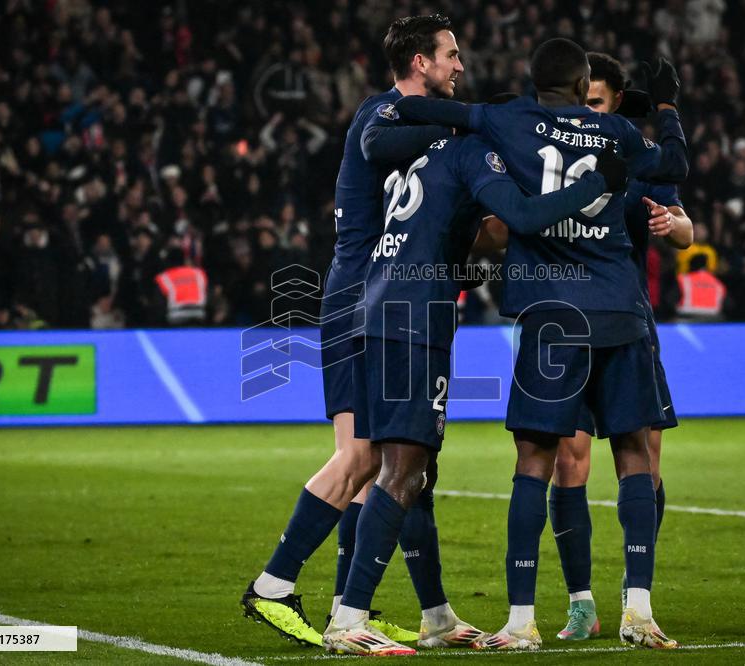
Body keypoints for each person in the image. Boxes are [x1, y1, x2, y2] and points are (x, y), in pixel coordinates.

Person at [394, 38, 688, 650]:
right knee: (635, 454)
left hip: (552, 312)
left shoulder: (510, 120)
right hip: (619, 307)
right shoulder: (616, 136)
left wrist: (394, 112)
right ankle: (638, 609)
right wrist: (664, 105)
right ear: (585, 86)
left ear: (533, 83)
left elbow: (434, 113)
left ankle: (522, 621)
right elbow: (675, 164)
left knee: (535, 461)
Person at [324, 122, 626, 656]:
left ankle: (434, 616)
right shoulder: (473, 153)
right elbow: (520, 218)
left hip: (382, 309)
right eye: (451, 54)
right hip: (413, 323)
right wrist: (592, 185)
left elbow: (457, 241)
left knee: (414, 472)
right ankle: (348, 616)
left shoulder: (422, 153)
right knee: (401, 470)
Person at [241, 14, 479, 649]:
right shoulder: (383, 114)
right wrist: (482, 121)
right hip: (357, 299)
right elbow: (379, 148)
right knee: (360, 457)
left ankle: (362, 612)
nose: (460, 65)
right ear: (421, 63)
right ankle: (274, 586)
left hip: (372, 295)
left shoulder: (415, 121)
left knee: (384, 463)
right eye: (451, 55)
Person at [546, 51, 693, 644]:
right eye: (582, 102)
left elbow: (684, 228)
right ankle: (582, 603)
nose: (588, 113)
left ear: (614, 106)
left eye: (598, 104)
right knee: (567, 461)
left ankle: (639, 600)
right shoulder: (552, 159)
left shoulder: (636, 156)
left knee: (644, 462)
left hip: (629, 321)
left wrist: (674, 227)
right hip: (566, 322)